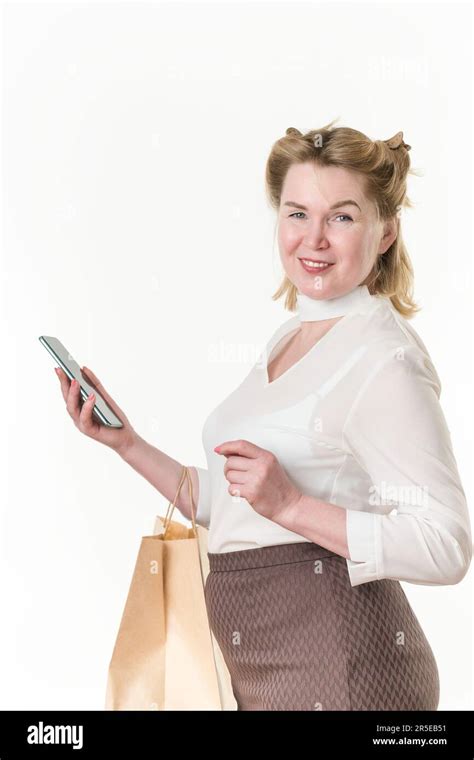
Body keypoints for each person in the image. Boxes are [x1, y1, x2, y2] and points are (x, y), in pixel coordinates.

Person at [55, 121, 472, 711]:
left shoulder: (384, 358)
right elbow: (237, 505)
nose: (315, 239)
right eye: (297, 213)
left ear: (385, 233)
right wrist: (128, 444)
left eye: (342, 217)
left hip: (343, 668)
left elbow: (447, 544)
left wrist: (293, 506)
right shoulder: (289, 337)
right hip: (255, 665)